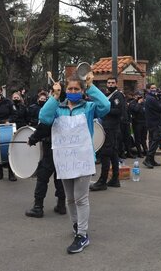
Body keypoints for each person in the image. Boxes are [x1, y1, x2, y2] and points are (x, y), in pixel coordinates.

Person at [39, 73, 110, 254]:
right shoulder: (58, 108)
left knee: (81, 198)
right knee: (69, 198)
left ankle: (83, 235)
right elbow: (44, 118)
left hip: (83, 160)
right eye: (69, 89)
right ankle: (76, 225)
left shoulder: (89, 107)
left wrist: (92, 87)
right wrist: (54, 97)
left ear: (81, 90)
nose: (72, 92)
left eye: (76, 89)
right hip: (64, 161)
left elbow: (106, 106)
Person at [90, 77, 125, 191]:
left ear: (116, 83)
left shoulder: (118, 95)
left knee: (105, 153)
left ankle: (102, 181)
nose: (110, 85)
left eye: (112, 83)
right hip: (106, 126)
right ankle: (115, 178)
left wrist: (105, 110)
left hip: (112, 128)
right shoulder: (107, 95)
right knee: (113, 153)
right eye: (108, 83)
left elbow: (119, 111)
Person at [143, 83, 161, 168]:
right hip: (155, 123)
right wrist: (158, 99)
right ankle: (148, 159)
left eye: (155, 88)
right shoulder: (152, 99)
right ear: (148, 89)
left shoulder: (149, 98)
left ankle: (151, 159)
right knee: (155, 141)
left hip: (150, 123)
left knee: (152, 141)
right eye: (152, 88)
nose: (154, 89)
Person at [129, 91, 148, 158]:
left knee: (144, 138)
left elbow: (146, 111)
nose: (139, 97)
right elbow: (136, 110)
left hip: (144, 122)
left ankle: (146, 151)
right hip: (137, 123)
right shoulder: (132, 103)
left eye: (140, 95)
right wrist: (139, 103)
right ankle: (139, 152)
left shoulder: (144, 103)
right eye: (137, 96)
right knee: (138, 138)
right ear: (134, 96)